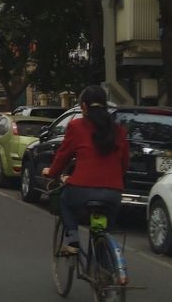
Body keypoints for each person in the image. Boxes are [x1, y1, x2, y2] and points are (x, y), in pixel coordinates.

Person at [42, 85, 129, 255]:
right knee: (103, 230)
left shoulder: (77, 126)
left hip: (81, 190)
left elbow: (63, 156)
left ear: (83, 107)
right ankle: (105, 266)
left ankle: (73, 241)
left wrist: (52, 173)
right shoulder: (118, 130)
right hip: (113, 192)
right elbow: (124, 162)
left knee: (65, 202)